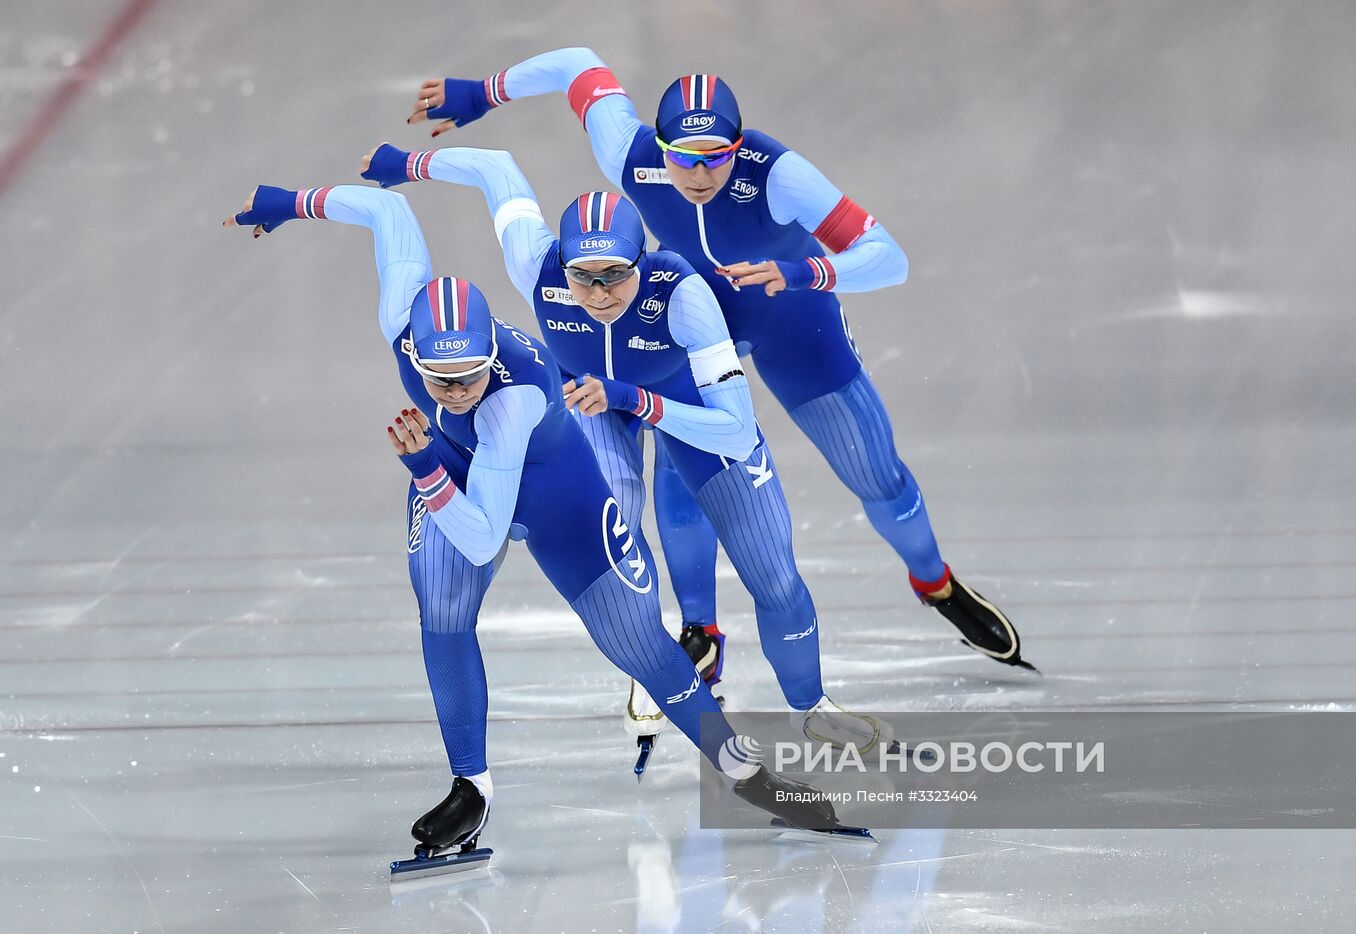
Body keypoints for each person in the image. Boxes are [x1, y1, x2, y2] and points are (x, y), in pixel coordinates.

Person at [221, 182, 846, 869]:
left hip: (556, 497)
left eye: (470, 376)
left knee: (642, 647)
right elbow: (386, 210)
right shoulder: (402, 321)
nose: (457, 391)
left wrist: (427, 465)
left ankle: (747, 778)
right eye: (440, 379)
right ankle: (471, 787)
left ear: (491, 352)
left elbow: (486, 535)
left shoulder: (510, 400)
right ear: (413, 352)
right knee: (443, 608)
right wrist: (291, 203)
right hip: (463, 472)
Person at [405, 49, 1034, 672]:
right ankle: (699, 627)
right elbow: (577, 66)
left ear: (739, 147)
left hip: (790, 314)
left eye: (717, 158)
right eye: (683, 157)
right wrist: (484, 91)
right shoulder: (631, 154)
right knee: (687, 461)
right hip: (688, 321)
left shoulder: (778, 175)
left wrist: (805, 271)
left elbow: (888, 257)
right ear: (660, 145)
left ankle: (935, 582)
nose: (699, 174)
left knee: (873, 471)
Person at [358, 142, 896, 758]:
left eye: (616, 273)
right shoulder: (537, 264)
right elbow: (496, 168)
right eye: (582, 276)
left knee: (772, 575)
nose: (600, 292)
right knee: (614, 533)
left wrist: (638, 399)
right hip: (593, 407)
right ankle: (655, 657)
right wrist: (406, 166)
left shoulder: (683, 294)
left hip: (682, 410)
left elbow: (735, 431)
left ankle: (811, 708)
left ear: (643, 262)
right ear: (561, 265)